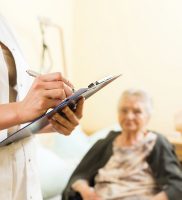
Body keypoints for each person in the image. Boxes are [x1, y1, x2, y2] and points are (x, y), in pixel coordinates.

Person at [0, 15, 84, 200]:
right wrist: (20, 110)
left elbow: (13, 120)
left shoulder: (5, 24)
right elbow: (19, 110)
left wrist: (50, 122)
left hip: (26, 182)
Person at [62, 89, 182, 200]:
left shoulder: (157, 142)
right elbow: (77, 177)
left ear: (148, 116)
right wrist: (87, 192)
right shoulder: (106, 142)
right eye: (124, 110)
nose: (129, 116)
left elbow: (177, 186)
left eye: (137, 111)